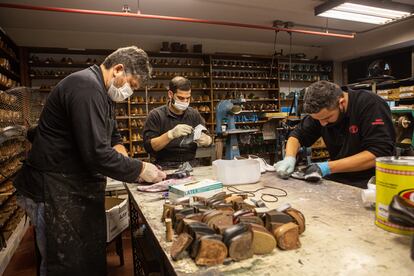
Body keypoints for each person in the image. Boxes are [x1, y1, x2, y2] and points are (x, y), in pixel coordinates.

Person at [14, 46, 166, 276]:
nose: (129, 92)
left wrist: (121, 156)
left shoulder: (104, 95)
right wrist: (141, 169)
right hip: (54, 187)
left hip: (73, 187)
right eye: (131, 85)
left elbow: (113, 136)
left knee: (84, 259)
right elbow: (96, 153)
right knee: (63, 262)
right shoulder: (85, 87)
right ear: (118, 69)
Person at [274, 80, 395, 188]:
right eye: (318, 120)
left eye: (327, 118)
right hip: (340, 177)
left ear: (341, 103)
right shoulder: (321, 114)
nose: (322, 124)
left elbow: (379, 153)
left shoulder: (370, 105)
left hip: (372, 182)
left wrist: (328, 167)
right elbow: (297, 135)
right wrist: (289, 157)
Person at [143, 76, 212, 169]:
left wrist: (207, 140)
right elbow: (149, 147)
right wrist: (170, 135)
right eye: (181, 98)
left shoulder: (194, 114)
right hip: (164, 166)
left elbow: (209, 138)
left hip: (191, 164)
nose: (185, 102)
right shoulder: (156, 115)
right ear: (170, 94)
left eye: (188, 98)